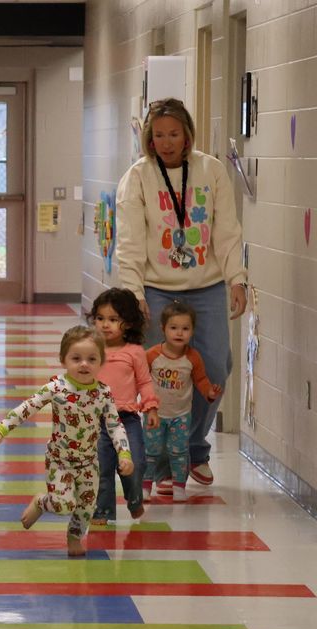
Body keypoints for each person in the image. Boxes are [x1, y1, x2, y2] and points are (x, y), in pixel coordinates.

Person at [115, 97, 247, 492]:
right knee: (159, 374)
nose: (167, 142)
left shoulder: (212, 170)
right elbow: (130, 241)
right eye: (159, 136)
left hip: (206, 286)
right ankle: (158, 456)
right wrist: (132, 293)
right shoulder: (138, 177)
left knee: (217, 367)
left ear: (187, 134)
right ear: (149, 139)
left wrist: (236, 278)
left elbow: (226, 230)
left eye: (174, 134)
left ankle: (192, 448)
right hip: (156, 289)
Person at [0, 326, 134, 557]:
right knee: (63, 505)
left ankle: (74, 537)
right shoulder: (56, 388)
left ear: (101, 361)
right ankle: (42, 502)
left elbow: (114, 425)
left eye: (91, 359)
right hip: (59, 460)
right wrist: (0, 430)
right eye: (76, 358)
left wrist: (124, 454)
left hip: (88, 463)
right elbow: (27, 408)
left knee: (86, 508)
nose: (84, 364)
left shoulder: (103, 393)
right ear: (63, 360)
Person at [88, 288, 160, 524]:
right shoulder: (91, 350)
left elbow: (145, 382)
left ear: (128, 324)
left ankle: (134, 499)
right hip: (97, 421)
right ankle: (103, 510)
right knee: (102, 467)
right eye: (100, 318)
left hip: (126, 419)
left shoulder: (135, 352)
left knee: (135, 462)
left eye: (113, 319)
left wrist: (150, 407)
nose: (105, 325)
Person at [145, 301, 222, 502]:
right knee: (150, 451)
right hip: (155, 414)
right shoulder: (152, 355)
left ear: (192, 331)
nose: (179, 333)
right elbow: (141, 379)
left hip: (180, 416)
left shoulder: (193, 357)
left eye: (185, 329)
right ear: (163, 329)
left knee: (179, 451)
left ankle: (180, 487)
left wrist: (210, 393)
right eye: (173, 328)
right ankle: (144, 487)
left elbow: (201, 380)